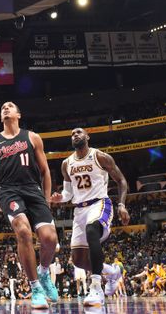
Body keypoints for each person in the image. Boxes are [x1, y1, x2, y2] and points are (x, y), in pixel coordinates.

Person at [0, 101, 59, 309]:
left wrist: (47, 199)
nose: (5, 107)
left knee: (50, 239)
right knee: (23, 231)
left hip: (33, 189)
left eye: (10, 106)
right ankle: (35, 288)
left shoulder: (32, 137)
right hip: (8, 190)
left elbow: (45, 171)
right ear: (0, 117)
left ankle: (43, 272)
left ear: (18, 115)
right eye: (2, 107)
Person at [50, 127, 130, 307]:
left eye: (78, 132)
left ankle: (96, 288)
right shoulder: (66, 163)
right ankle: (111, 271)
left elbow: (121, 180)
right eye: (72, 134)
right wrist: (59, 198)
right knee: (78, 259)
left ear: (87, 137)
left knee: (92, 230)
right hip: (79, 210)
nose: (75, 135)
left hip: (99, 203)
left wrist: (122, 204)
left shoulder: (100, 156)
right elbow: (68, 194)